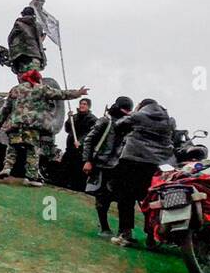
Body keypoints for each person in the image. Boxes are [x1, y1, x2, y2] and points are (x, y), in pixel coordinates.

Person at [0, 70, 88, 186]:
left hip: (15, 124)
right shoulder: (41, 89)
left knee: (12, 146)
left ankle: (7, 168)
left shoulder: (16, 89)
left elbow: (5, 109)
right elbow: (61, 94)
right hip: (31, 125)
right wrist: (78, 93)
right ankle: (31, 177)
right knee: (32, 150)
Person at [109, 98, 176, 248]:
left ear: (142, 106)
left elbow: (118, 126)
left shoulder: (138, 116)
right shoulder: (169, 121)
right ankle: (152, 237)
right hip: (156, 165)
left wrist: (132, 116)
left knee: (126, 199)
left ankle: (125, 234)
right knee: (151, 201)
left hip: (132, 161)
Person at [82, 96, 133, 237]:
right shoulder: (106, 121)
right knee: (102, 198)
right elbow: (89, 139)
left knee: (121, 198)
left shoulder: (129, 125)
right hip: (101, 165)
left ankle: (122, 231)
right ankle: (104, 227)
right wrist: (87, 160)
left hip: (119, 166)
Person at [60, 98, 97, 191]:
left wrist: (81, 141)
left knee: (78, 170)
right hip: (70, 148)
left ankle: (77, 188)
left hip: (81, 150)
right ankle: (62, 184)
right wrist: (69, 118)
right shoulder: (74, 117)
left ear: (88, 106)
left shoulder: (92, 119)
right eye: (81, 104)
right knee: (65, 166)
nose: (82, 106)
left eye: (84, 104)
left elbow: (91, 133)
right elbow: (68, 129)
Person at [7, 6, 47, 74]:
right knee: (34, 76)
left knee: (24, 75)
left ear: (23, 14)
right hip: (36, 55)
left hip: (22, 55)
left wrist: (12, 54)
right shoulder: (38, 26)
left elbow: (10, 38)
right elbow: (39, 40)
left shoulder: (19, 24)